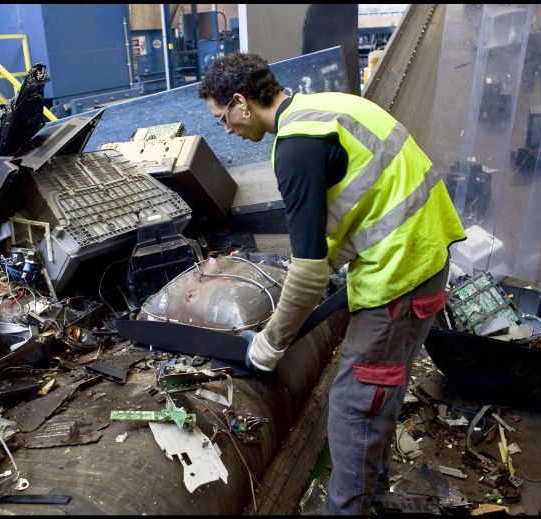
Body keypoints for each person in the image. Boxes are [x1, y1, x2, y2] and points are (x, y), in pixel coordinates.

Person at [198, 53, 465, 515]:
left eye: (222, 118)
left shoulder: (297, 144)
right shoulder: (326, 107)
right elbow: (360, 201)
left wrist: (268, 345)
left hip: (400, 274)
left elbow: (307, 274)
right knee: (377, 395)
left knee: (351, 408)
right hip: (425, 252)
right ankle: (373, 494)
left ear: (241, 102)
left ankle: (348, 508)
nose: (226, 130)